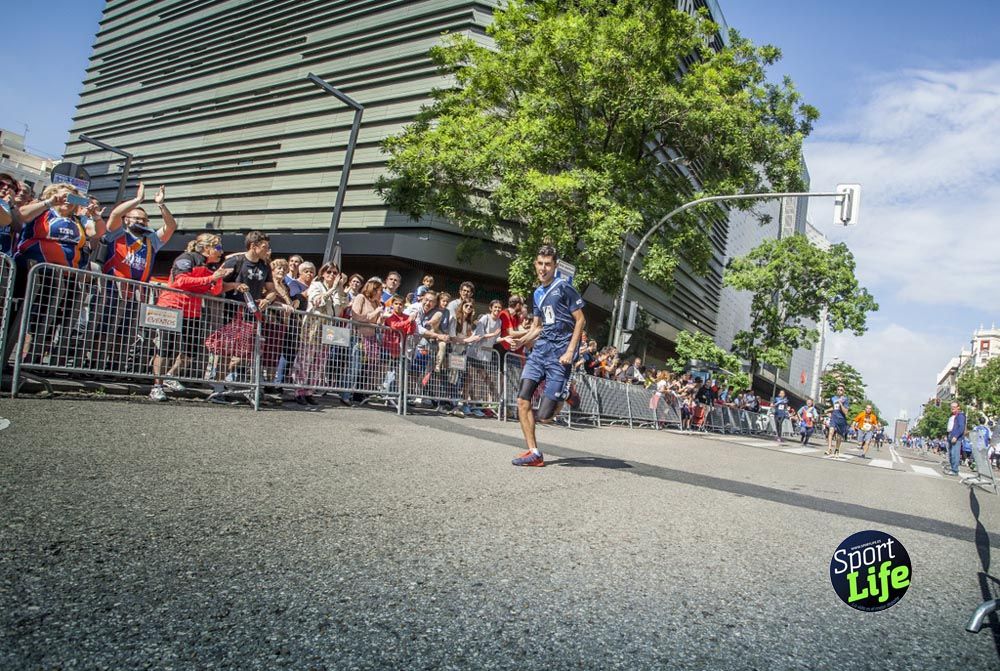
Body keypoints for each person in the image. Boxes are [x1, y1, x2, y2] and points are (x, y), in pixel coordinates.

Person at [505, 245, 585, 467]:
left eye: (548, 264)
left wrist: (570, 350)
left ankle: (567, 392)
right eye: (540, 263)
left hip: (560, 354)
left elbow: (580, 320)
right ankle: (534, 453)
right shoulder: (537, 293)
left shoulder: (564, 288)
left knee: (545, 416)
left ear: (555, 266)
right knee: (522, 400)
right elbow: (538, 326)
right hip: (540, 351)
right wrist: (522, 340)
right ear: (535, 264)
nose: (543, 268)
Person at [149, 234, 231, 401]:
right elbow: (181, 281)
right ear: (206, 248)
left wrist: (219, 278)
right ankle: (156, 386)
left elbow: (214, 291)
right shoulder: (187, 258)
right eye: (218, 248)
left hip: (192, 311)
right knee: (165, 347)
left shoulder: (211, 266)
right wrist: (211, 278)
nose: (221, 252)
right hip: (171, 305)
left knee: (192, 349)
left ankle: (171, 376)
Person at [825, 385, 850, 456]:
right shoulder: (833, 398)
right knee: (831, 432)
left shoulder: (846, 399)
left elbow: (846, 412)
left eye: (841, 390)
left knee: (839, 437)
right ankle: (829, 449)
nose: (839, 391)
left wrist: (841, 404)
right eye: (838, 389)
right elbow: (834, 408)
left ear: (844, 391)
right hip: (834, 418)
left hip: (841, 419)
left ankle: (837, 449)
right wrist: (827, 410)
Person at [944, 401, 966, 476]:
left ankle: (955, 470)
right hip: (950, 435)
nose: (952, 408)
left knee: (954, 454)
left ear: (958, 407)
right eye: (951, 407)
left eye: (954, 407)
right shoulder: (952, 416)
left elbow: (961, 427)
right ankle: (952, 468)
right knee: (950, 453)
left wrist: (956, 436)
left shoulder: (960, 416)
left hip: (955, 437)